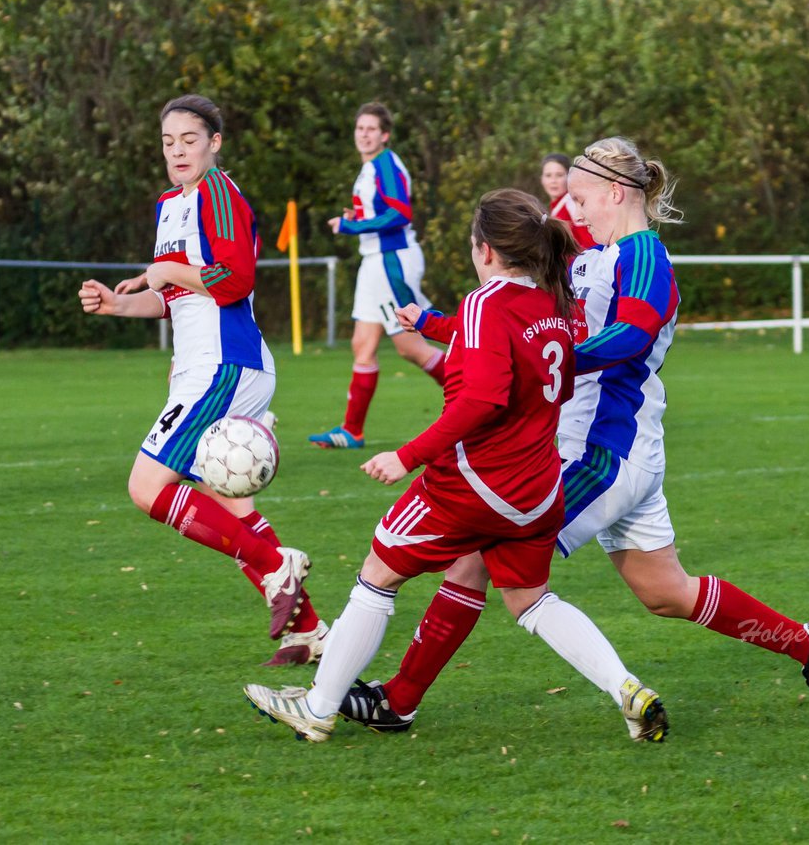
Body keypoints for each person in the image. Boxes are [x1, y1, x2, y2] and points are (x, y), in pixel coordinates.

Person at [334, 137, 809, 734]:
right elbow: (521, 327)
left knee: (476, 556)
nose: (572, 212)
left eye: (580, 199)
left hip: (604, 452)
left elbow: (630, 336)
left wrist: (556, 359)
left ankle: (397, 700)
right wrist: (437, 325)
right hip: (621, 454)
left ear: (615, 192)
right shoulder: (587, 256)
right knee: (667, 592)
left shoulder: (645, 257)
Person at [243, 189, 668, 743]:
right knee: (531, 600)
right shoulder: (552, 305)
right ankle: (627, 688)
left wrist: (406, 456)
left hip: (473, 482)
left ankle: (318, 708)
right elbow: (503, 344)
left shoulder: (486, 304)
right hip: (538, 491)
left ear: (484, 250)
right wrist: (431, 322)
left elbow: (481, 400)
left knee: (377, 573)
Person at [78, 94, 327, 663]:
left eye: (190, 140)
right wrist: (118, 305)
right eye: (168, 143)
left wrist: (167, 270)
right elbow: (175, 301)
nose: (178, 151)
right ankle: (309, 630)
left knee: (146, 488)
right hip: (205, 367)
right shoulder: (169, 204)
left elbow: (233, 281)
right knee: (230, 507)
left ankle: (275, 565)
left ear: (214, 143)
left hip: (225, 365)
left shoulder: (219, 192)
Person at [308, 102, 446, 450]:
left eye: (371, 129)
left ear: (384, 135)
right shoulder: (372, 167)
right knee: (362, 345)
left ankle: (479, 401)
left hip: (390, 262)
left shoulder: (385, 164)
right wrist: (359, 216)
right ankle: (351, 431)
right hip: (375, 262)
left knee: (411, 346)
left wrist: (352, 225)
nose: (364, 134)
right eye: (360, 128)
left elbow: (400, 214)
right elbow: (382, 210)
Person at [540, 152, 595, 249]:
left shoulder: (572, 203)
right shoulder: (557, 207)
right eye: (548, 175)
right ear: (542, 179)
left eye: (559, 175)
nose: (553, 181)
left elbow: (590, 243)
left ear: (569, 177)